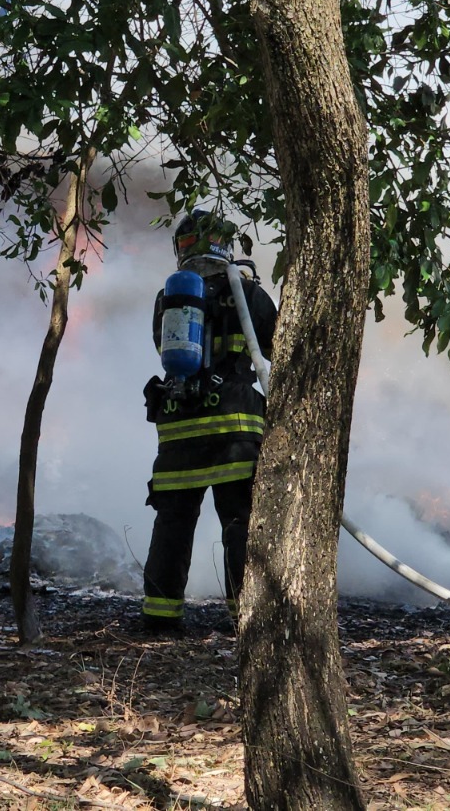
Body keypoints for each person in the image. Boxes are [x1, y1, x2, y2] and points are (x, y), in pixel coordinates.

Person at [140, 209, 277, 634]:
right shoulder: (250, 295)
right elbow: (274, 351)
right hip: (233, 429)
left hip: (178, 430)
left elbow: (164, 350)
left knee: (173, 526)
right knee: (240, 525)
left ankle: (161, 618)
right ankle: (246, 620)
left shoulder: (170, 299)